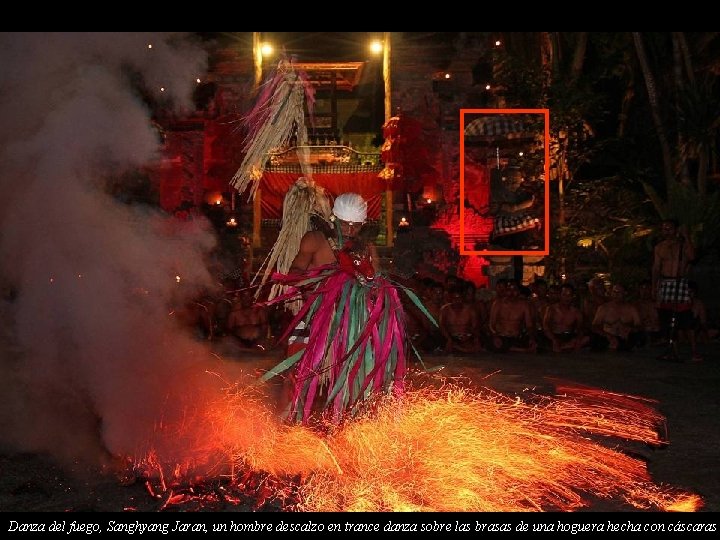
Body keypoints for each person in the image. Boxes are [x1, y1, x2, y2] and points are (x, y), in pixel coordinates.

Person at [261, 192, 427, 425]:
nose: (349, 229)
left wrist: (375, 292)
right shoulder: (315, 239)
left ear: (362, 224)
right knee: (297, 372)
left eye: (355, 225)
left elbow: (376, 281)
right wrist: (313, 284)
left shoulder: (366, 248)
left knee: (354, 375)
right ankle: (284, 424)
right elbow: (295, 269)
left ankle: (348, 425)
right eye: (344, 224)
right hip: (315, 316)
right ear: (334, 219)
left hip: (351, 322)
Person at [651, 219, 699, 361]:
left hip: (680, 282)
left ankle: (694, 352)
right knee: (667, 318)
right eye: (664, 229)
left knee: (686, 318)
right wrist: (654, 286)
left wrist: (687, 236)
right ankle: (673, 351)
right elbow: (656, 268)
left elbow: (692, 257)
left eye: (669, 228)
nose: (667, 231)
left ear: (676, 229)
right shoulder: (659, 247)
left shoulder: (683, 245)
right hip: (665, 282)